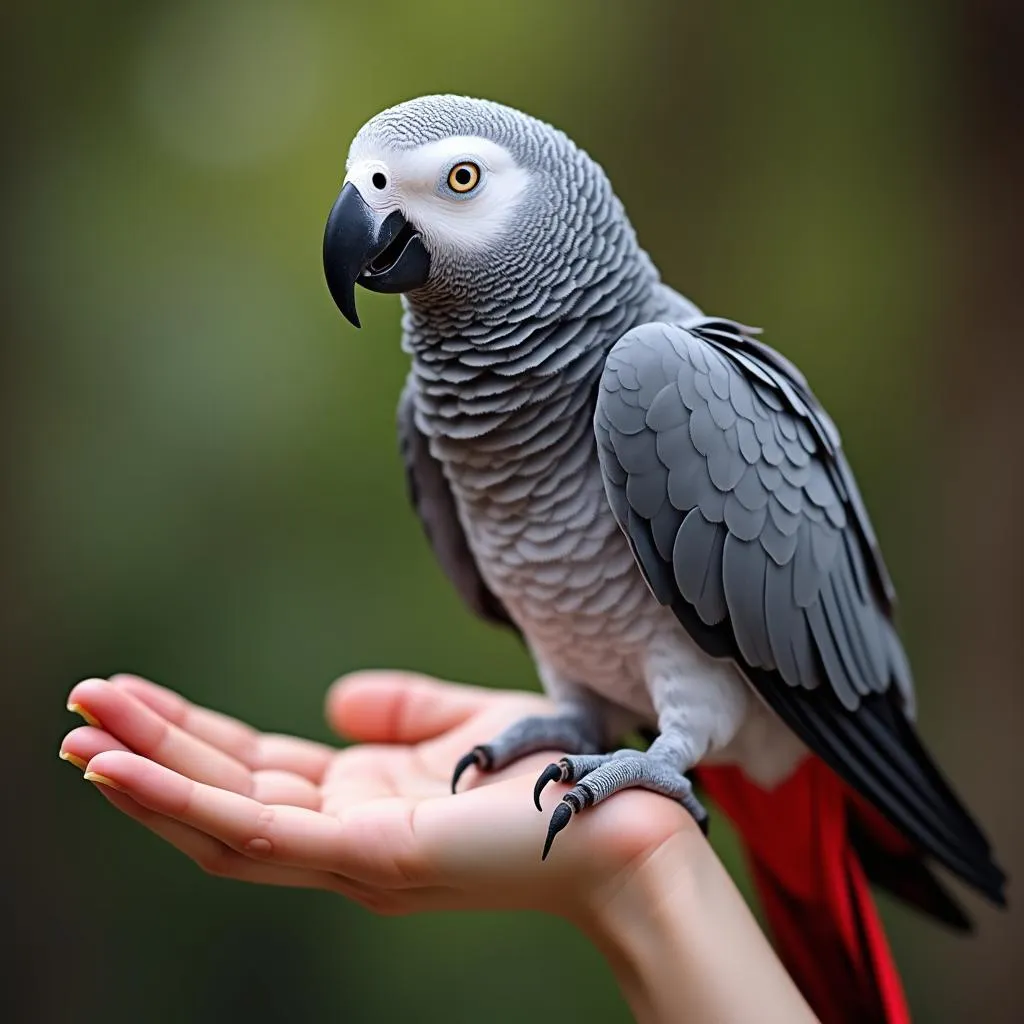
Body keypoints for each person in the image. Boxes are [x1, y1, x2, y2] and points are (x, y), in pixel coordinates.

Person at [60, 671, 818, 1023]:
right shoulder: (441, 423)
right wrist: (636, 871)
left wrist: (656, 810)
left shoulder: (646, 374)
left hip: (764, 725)